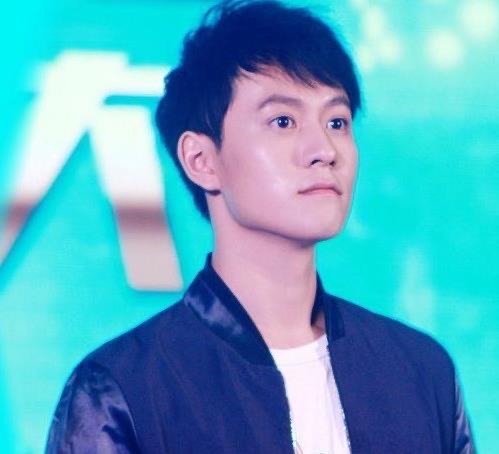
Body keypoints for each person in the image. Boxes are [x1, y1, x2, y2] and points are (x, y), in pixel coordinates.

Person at [46, 1, 475, 452]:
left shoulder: (422, 371)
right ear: (201, 160)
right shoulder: (121, 391)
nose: (324, 150)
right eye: (283, 121)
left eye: (337, 121)